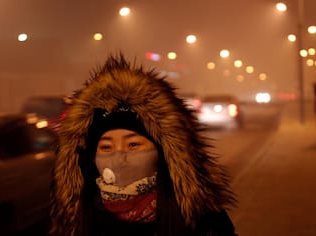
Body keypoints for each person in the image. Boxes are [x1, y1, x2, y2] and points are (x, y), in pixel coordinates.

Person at [49, 54, 238, 235]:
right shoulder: (78, 219)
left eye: (133, 145)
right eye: (106, 147)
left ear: (161, 151)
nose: (119, 158)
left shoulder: (198, 216)